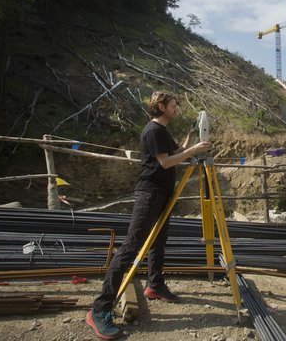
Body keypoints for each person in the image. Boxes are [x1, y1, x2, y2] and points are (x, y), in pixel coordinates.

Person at [86, 91, 211, 340]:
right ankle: (99, 310)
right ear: (162, 107)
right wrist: (195, 149)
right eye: (174, 105)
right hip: (150, 194)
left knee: (158, 242)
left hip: (162, 194)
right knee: (131, 248)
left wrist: (192, 136)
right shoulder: (152, 131)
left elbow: (178, 151)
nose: (177, 108)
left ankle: (154, 285)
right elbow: (166, 162)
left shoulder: (163, 132)